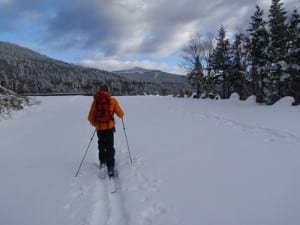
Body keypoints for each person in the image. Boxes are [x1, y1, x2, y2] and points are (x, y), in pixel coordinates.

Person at [88, 85, 124, 177]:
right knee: (109, 146)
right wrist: (120, 114)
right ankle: (110, 166)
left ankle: (102, 161)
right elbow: (120, 114)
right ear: (108, 91)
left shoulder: (96, 101)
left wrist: (94, 124)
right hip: (109, 127)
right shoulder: (112, 100)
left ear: (100, 91)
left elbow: (90, 117)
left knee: (101, 144)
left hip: (99, 128)